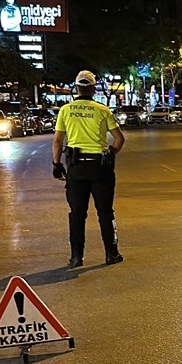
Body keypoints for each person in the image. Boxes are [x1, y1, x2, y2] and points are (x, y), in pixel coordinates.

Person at [52, 70, 126, 268]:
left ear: (77, 88)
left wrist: (57, 164)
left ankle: (76, 257)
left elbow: (58, 141)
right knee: (105, 212)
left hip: (76, 168)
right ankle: (112, 253)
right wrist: (111, 153)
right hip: (100, 168)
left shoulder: (65, 110)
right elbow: (119, 138)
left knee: (77, 213)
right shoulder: (103, 110)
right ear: (93, 88)